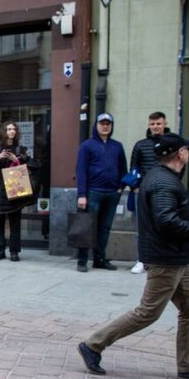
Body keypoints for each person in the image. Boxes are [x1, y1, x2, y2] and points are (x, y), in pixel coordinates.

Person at [77, 133, 189, 379]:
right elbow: (166, 221)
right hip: (166, 258)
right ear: (180, 154)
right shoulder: (164, 183)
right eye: (186, 149)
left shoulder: (162, 178)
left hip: (177, 258)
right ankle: (93, 345)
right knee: (147, 313)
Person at [74, 113, 127, 272]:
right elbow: (81, 171)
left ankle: (99, 259)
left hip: (112, 194)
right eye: (102, 123)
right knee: (86, 226)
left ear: (111, 126)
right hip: (93, 192)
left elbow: (123, 169)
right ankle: (82, 260)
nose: (105, 126)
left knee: (105, 228)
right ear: (96, 125)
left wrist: (120, 188)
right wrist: (82, 195)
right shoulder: (87, 145)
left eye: (108, 124)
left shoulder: (117, 146)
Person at [128, 112, 170, 274]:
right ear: (149, 125)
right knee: (142, 228)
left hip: (165, 193)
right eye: (152, 124)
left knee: (163, 226)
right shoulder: (140, 145)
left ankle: (161, 260)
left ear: (164, 123)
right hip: (143, 193)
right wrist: (135, 187)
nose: (155, 127)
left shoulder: (172, 142)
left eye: (158, 123)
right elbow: (133, 167)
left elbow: (179, 165)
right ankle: (142, 260)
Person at [0, 121, 29, 262]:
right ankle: (0, 250)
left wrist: (17, 160)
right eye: (8, 129)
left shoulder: (20, 149)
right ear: (3, 132)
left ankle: (14, 251)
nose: (11, 131)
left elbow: (26, 167)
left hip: (14, 185)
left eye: (13, 129)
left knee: (15, 218)